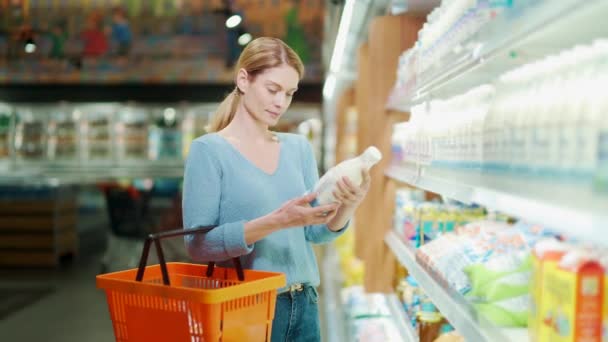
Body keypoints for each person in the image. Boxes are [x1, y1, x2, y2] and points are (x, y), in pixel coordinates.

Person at [182, 37, 371, 342]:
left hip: (306, 305)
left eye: (289, 93)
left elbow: (314, 233)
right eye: (273, 90)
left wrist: (348, 204)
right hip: (248, 307)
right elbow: (198, 244)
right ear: (244, 79)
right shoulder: (209, 151)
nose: (281, 102)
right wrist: (277, 221)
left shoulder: (298, 148)